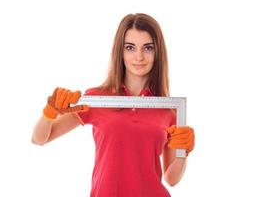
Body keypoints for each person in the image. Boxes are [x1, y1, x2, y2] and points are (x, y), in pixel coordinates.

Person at [32, 13, 195, 197]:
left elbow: (171, 179)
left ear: (158, 52)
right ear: (121, 51)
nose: (139, 57)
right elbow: (39, 139)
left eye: (148, 48)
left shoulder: (168, 109)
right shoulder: (96, 99)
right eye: (130, 47)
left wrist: (183, 151)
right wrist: (50, 112)